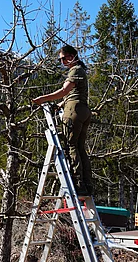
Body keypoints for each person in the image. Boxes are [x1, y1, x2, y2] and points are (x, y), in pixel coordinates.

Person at [32, 44, 93, 196]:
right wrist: (60, 104)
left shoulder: (75, 70)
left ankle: (78, 183)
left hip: (73, 110)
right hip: (83, 110)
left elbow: (64, 91)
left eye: (63, 58)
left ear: (71, 56)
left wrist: (43, 99)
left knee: (71, 146)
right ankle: (88, 184)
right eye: (60, 60)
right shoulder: (80, 70)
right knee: (80, 147)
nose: (62, 62)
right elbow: (72, 93)